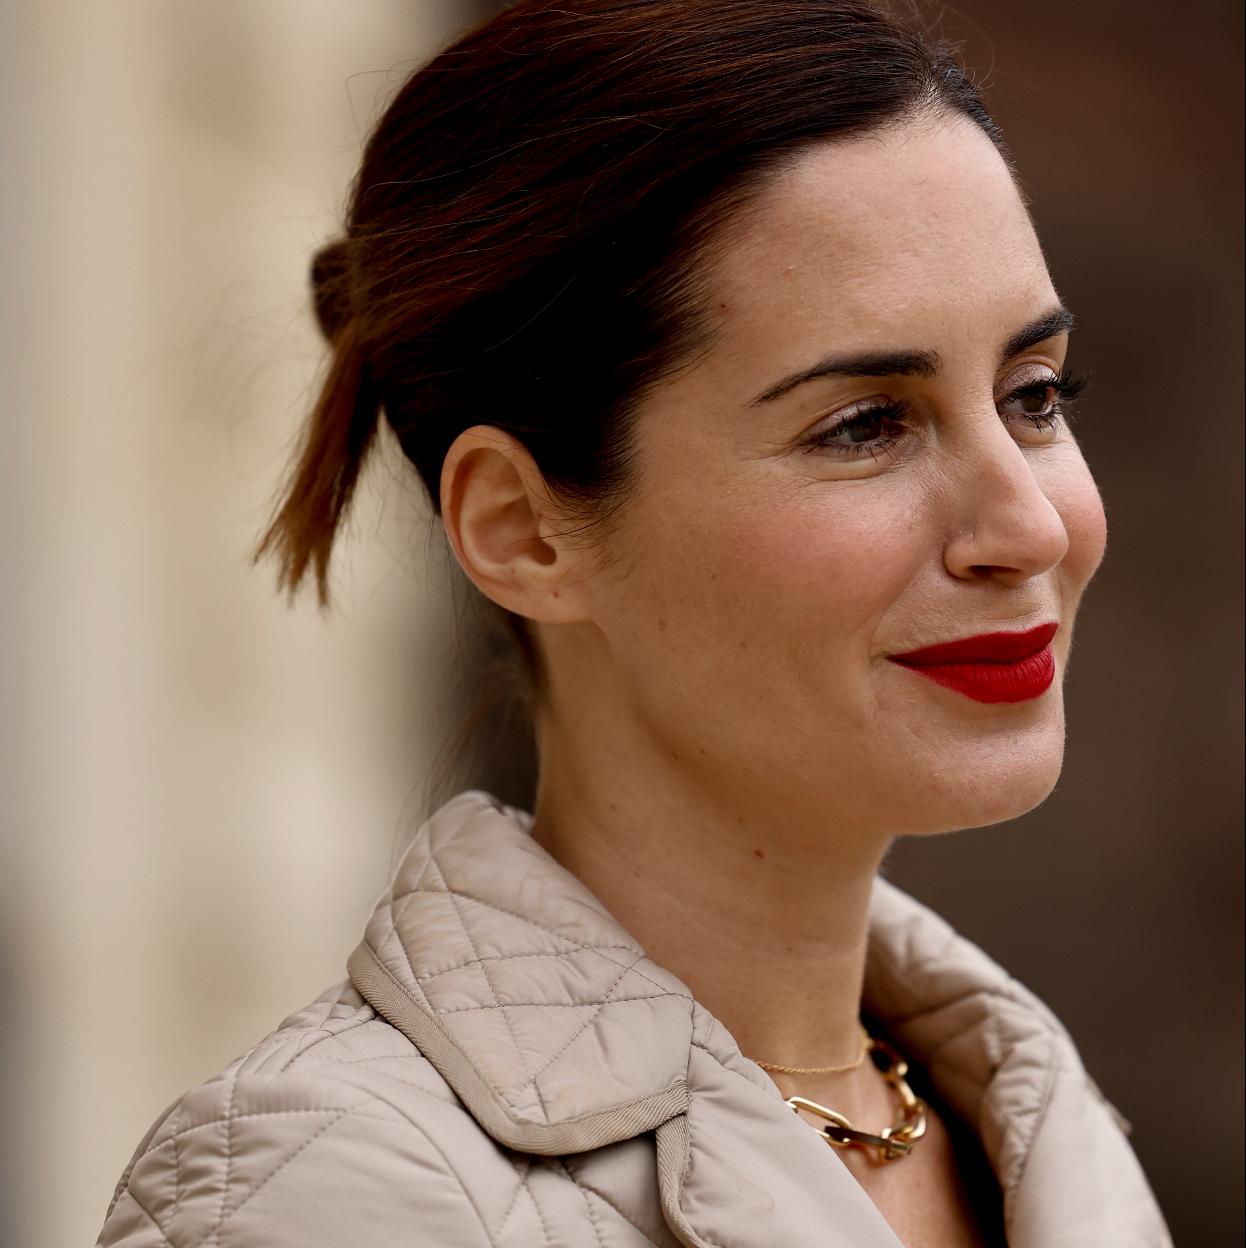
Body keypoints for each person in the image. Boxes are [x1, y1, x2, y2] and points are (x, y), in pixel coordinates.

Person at [95, 1, 1173, 1244]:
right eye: (863, 426)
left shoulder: (1044, 1139)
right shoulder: (326, 1196)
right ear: (521, 528)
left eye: (1034, 395)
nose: (1028, 527)